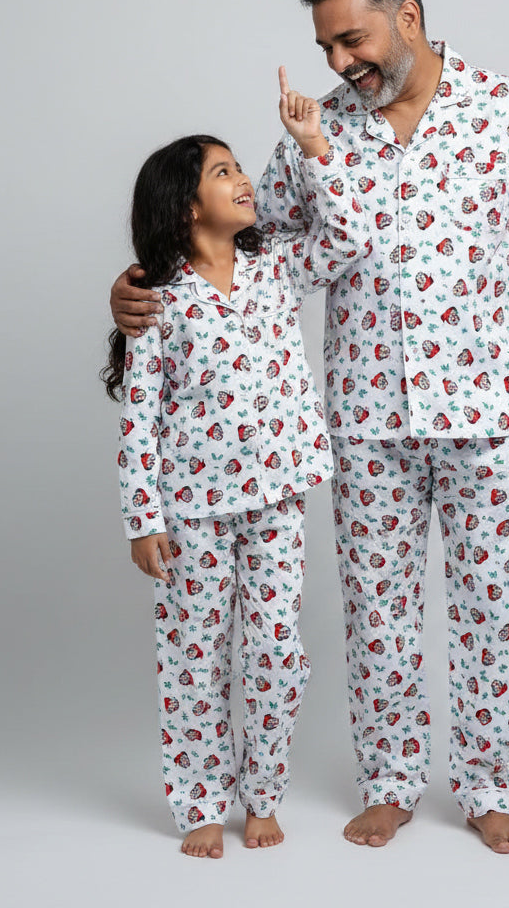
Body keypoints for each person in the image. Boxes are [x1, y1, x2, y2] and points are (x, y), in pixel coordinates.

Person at [110, 0, 509, 855]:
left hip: (491, 408)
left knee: (491, 604)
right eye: (328, 46)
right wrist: (136, 292)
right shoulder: (320, 131)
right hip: (365, 416)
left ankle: (489, 787)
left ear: (405, 17)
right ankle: (391, 780)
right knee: (376, 608)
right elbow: (247, 252)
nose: (340, 63)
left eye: (352, 40)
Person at [103, 72, 371, 858]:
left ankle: (263, 797)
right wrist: (142, 519)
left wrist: (314, 146)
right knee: (192, 657)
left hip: (279, 497)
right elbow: (141, 416)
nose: (244, 179)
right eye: (223, 172)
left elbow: (351, 236)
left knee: (276, 651)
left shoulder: (275, 267)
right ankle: (196, 803)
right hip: (193, 510)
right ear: (187, 207)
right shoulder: (160, 298)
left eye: (238, 167)